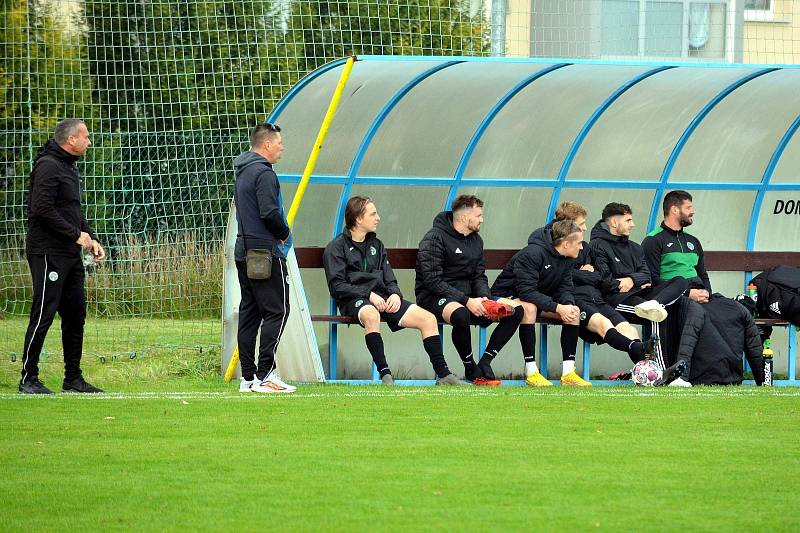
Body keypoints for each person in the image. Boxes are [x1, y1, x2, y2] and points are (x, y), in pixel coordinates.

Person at [325, 196, 466, 385]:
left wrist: (395, 294)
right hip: (354, 299)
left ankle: (444, 375)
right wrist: (368, 295)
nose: (378, 218)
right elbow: (338, 286)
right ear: (358, 218)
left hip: (383, 299)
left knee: (428, 319)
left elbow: (389, 278)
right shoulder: (336, 248)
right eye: (373, 214)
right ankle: (386, 375)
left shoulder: (377, 245)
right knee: (371, 315)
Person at [20, 118, 106, 394]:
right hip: (48, 252)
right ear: (71, 139)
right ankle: (28, 378)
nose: (89, 142)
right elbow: (41, 209)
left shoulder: (69, 169)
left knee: (75, 313)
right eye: (86, 137)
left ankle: (73, 378)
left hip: (70, 254)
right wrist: (74, 234)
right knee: (44, 312)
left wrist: (90, 237)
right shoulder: (48, 166)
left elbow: (73, 212)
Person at [415, 195, 524, 385]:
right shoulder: (434, 238)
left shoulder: (476, 240)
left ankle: (485, 363)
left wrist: (484, 296)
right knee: (461, 314)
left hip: (469, 298)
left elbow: (479, 275)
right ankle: (470, 367)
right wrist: (467, 300)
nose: (482, 219)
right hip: (434, 297)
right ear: (464, 217)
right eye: (479, 215)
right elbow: (432, 281)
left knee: (516, 310)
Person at [589, 202, 691, 387]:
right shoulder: (597, 245)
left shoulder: (635, 247)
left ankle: (656, 303)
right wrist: (634, 279)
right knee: (657, 317)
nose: (633, 224)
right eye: (628, 220)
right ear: (613, 222)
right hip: (616, 299)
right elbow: (605, 281)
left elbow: (648, 275)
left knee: (681, 281)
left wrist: (629, 280)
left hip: (643, 295)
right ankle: (660, 374)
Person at [549, 203, 653, 368]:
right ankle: (639, 350)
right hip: (575, 300)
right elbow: (561, 274)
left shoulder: (586, 248)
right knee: (603, 324)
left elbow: (599, 277)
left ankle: (649, 372)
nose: (585, 228)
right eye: (581, 224)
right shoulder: (554, 248)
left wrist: (585, 274)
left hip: (596, 298)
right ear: (569, 226)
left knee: (630, 330)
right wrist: (583, 273)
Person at [234, 122, 296, 393]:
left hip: (242, 250)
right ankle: (266, 374)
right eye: (279, 142)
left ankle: (248, 379)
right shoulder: (265, 174)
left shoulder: (243, 172)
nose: (282, 146)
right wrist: (284, 233)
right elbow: (269, 212)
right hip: (264, 254)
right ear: (267, 144)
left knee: (250, 313)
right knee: (278, 310)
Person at [491, 219, 591, 387]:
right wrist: (557, 307)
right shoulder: (533, 253)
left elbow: (565, 288)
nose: (582, 247)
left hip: (537, 301)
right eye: (579, 243)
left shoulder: (568, 257)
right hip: (505, 298)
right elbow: (526, 292)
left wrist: (567, 305)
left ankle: (568, 374)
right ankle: (531, 372)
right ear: (566, 244)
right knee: (529, 308)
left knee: (574, 313)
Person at [642, 191, 710, 303]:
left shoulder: (693, 241)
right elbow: (652, 280)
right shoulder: (653, 240)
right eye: (688, 207)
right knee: (699, 315)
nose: (693, 211)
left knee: (737, 310)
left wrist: (707, 293)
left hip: (701, 295)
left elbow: (702, 274)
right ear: (674, 210)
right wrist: (687, 293)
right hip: (676, 298)